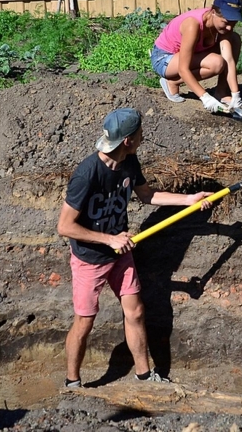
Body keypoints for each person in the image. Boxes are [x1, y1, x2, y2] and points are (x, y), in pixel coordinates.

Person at [57, 107, 213, 388]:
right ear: (128, 140)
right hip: (90, 258)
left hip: (120, 253)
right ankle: (72, 383)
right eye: (140, 132)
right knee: (85, 322)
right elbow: (65, 226)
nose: (144, 136)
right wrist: (109, 239)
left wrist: (189, 200)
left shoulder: (129, 161)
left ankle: (144, 375)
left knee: (136, 311)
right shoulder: (87, 174)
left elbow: (147, 195)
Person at [151, 0, 242, 113]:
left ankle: (221, 92)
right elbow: (183, 69)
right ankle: (172, 82)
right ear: (213, 12)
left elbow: (228, 59)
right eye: (226, 22)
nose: (229, 28)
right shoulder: (193, 25)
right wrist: (206, 98)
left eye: (234, 23)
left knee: (234, 39)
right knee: (216, 63)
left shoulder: (224, 27)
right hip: (164, 58)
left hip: (191, 55)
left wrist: (236, 94)